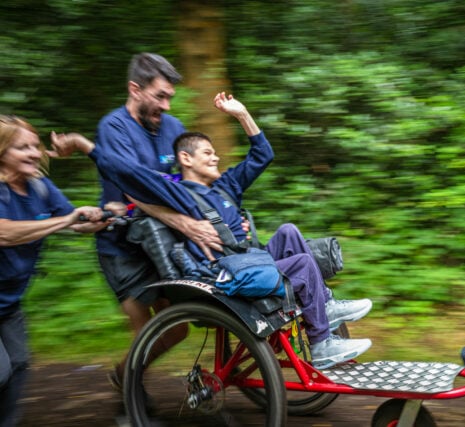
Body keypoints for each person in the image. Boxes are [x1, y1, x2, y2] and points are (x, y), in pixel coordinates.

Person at [53, 92, 373, 369]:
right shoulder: (176, 193)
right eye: (208, 153)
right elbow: (127, 172)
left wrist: (241, 114)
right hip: (223, 275)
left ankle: (325, 306)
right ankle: (321, 346)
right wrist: (84, 146)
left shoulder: (226, 185)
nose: (216, 156)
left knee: (289, 231)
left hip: (248, 261)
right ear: (185, 159)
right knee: (302, 265)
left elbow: (263, 155)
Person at [89, 53, 224, 390]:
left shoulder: (174, 129)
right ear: (135, 89)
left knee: (176, 328)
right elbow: (134, 192)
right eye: (159, 96)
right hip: (120, 248)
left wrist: (223, 215)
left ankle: (123, 377)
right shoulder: (114, 128)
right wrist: (184, 223)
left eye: (170, 97)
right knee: (145, 331)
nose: (165, 105)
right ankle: (132, 394)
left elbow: (192, 184)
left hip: (161, 243)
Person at [0, 115, 114, 427]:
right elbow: (5, 233)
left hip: (8, 302)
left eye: (35, 146)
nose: (35, 154)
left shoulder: (39, 186)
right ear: (2, 152)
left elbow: (75, 222)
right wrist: (65, 221)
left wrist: (100, 217)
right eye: (22, 148)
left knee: (20, 364)